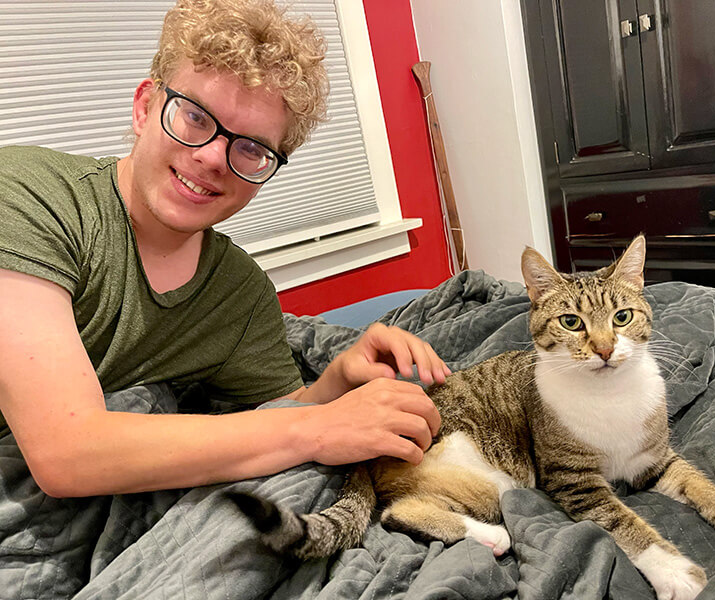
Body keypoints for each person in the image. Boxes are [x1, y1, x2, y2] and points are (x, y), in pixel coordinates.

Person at [0, 0, 449, 499]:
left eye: (252, 148)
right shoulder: (27, 195)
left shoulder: (239, 292)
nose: (214, 157)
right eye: (194, 116)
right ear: (145, 107)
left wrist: (338, 383)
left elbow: (278, 415)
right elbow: (68, 454)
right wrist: (315, 429)